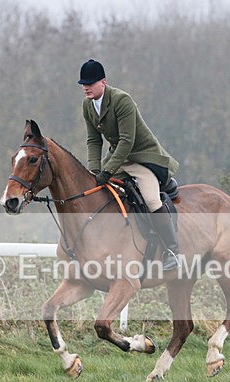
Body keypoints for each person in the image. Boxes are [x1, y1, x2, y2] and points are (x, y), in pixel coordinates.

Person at [78, 59, 180, 271]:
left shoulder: (122, 100)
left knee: (151, 200)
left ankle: (172, 250)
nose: (86, 87)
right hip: (117, 159)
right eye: (83, 84)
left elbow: (127, 141)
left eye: (90, 83)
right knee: (98, 194)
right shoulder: (87, 106)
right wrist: (94, 170)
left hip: (142, 158)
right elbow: (94, 140)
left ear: (103, 82)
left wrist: (107, 171)